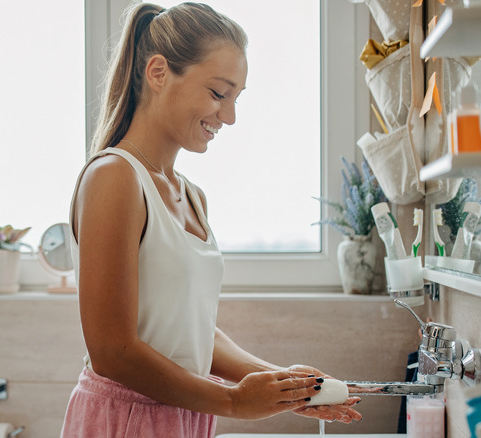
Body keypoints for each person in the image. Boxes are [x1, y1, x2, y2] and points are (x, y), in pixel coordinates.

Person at [61, 3, 363, 437]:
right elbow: (112, 351)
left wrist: (286, 386)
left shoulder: (192, 196)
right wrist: (235, 402)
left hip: (185, 414)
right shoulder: (114, 178)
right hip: (125, 420)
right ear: (159, 73)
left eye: (236, 99)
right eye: (219, 94)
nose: (230, 116)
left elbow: (192, 331)